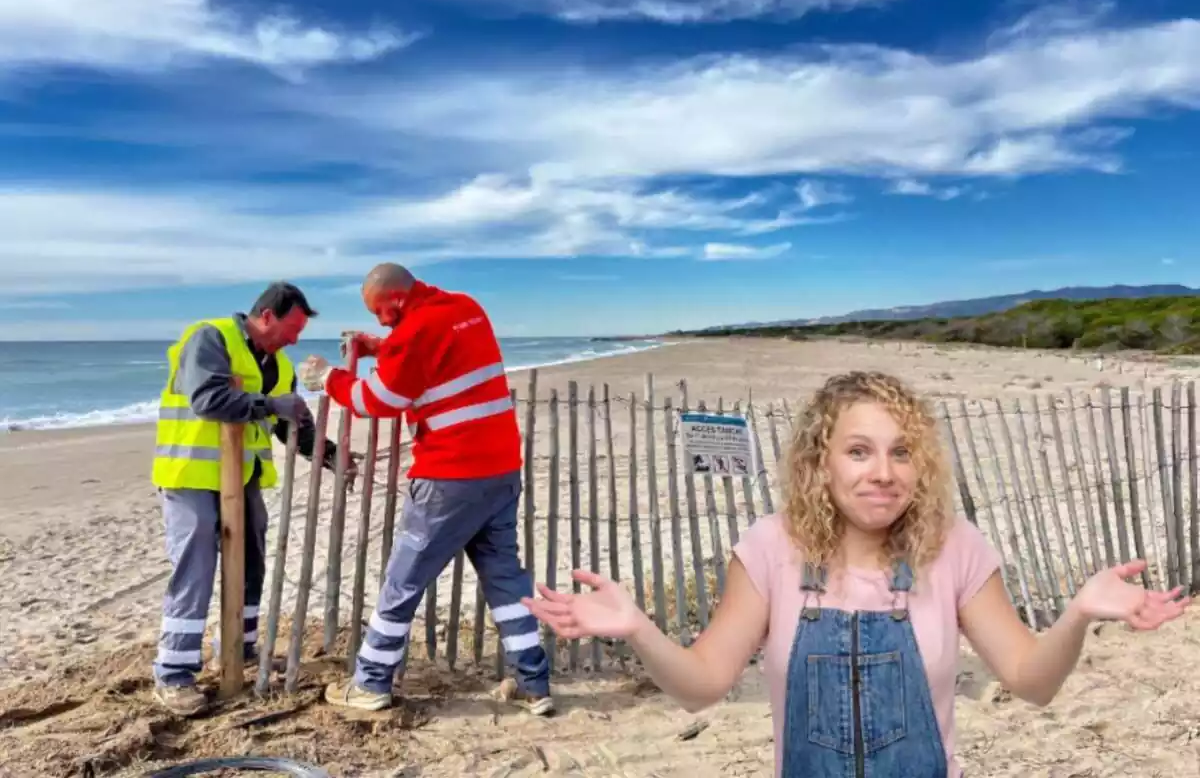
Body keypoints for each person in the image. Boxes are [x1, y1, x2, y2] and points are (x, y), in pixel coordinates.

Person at [521, 371, 1190, 777]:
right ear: (821, 462)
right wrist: (638, 627)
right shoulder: (769, 548)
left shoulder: (953, 547)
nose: (883, 472)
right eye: (859, 451)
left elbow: (1031, 683)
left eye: (902, 453)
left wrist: (1075, 615)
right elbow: (703, 686)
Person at [298, 263, 553, 716]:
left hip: (450, 477)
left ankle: (372, 683)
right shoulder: (464, 308)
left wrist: (329, 379)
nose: (379, 322)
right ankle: (535, 684)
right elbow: (433, 355)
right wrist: (385, 345)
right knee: (506, 578)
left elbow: (378, 400)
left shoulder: (415, 330)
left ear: (395, 301)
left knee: (403, 580)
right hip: (501, 470)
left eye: (381, 313)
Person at [151, 281, 350, 715]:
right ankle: (173, 673)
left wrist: (331, 455)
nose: (296, 339)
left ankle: (239, 649)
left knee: (253, 559)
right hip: (190, 473)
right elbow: (209, 399)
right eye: (291, 328)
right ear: (265, 316)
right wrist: (269, 405)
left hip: (244, 478)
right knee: (196, 563)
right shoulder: (211, 337)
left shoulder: (279, 364)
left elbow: (291, 419)